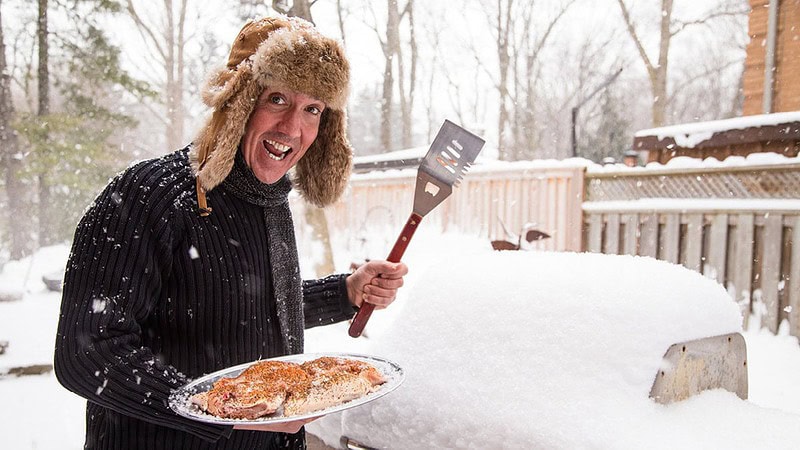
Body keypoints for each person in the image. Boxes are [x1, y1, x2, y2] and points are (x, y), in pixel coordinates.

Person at [54, 15, 407, 450]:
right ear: (237, 99)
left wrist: (345, 292)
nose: (293, 128)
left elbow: (241, 306)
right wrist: (218, 410)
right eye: (277, 98)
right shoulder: (147, 196)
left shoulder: (269, 201)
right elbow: (86, 354)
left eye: (313, 108)